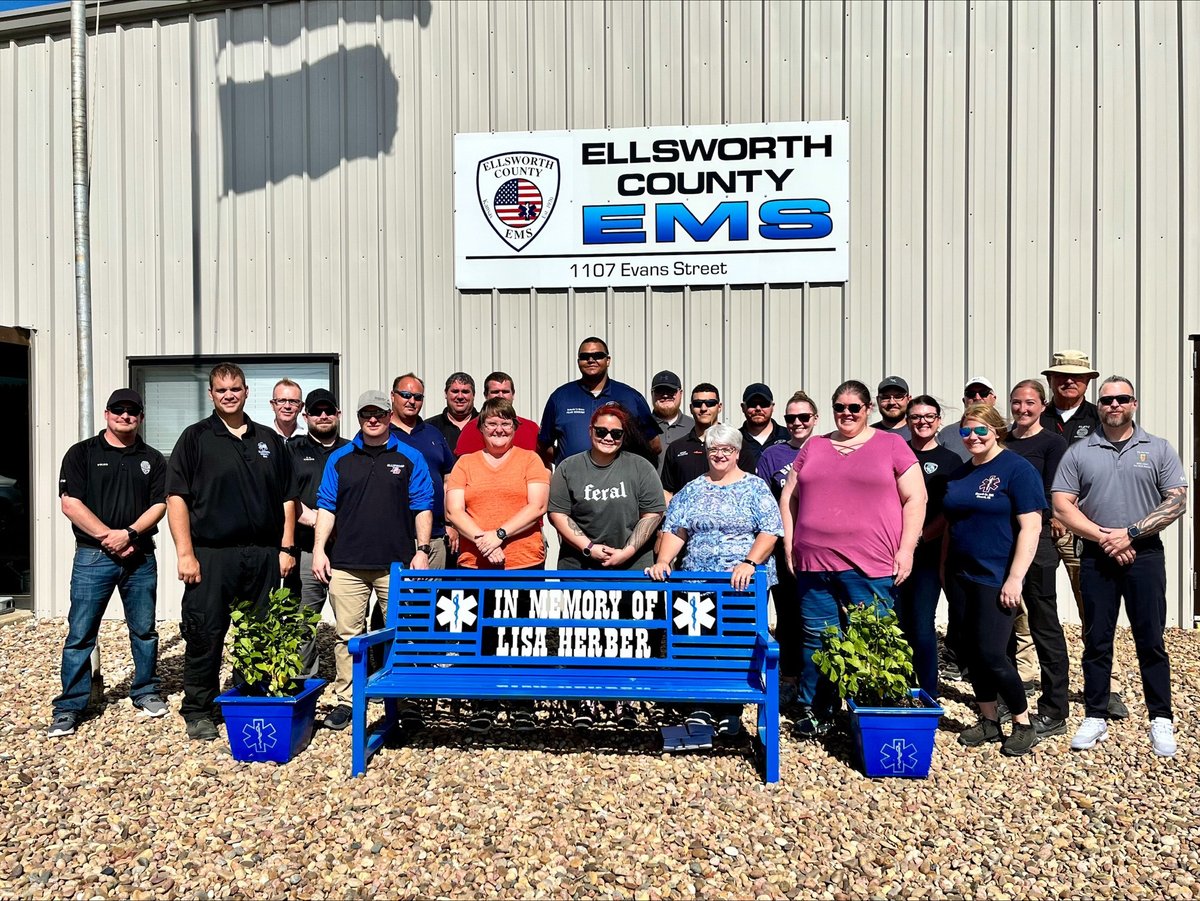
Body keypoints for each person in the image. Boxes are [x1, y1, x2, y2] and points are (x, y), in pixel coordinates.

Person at [779, 380, 925, 737]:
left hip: (871, 564)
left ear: (868, 409)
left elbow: (916, 499)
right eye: (840, 408)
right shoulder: (815, 446)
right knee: (819, 638)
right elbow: (788, 498)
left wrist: (906, 549)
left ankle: (873, 710)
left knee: (872, 636)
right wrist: (789, 543)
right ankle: (820, 711)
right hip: (814, 563)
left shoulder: (892, 445)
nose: (846, 414)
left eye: (854, 408)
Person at [1052, 377, 1186, 758]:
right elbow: (1062, 505)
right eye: (1107, 399)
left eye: (1121, 399)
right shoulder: (1080, 451)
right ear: (1100, 405)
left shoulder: (1157, 448)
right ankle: (1095, 714)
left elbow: (1177, 501)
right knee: (1097, 639)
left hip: (1144, 555)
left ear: (1134, 404)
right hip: (1096, 555)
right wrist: (1105, 538)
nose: (1114, 405)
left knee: (1151, 639)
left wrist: (1129, 534)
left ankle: (1160, 717)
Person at [166, 362, 298, 741]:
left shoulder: (268, 440)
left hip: (263, 554)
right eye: (221, 390)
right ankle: (198, 708)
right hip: (211, 553)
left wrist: (286, 547)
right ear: (211, 394)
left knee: (259, 632)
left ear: (246, 392)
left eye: (235, 389)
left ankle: (250, 695)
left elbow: (288, 497)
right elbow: (177, 497)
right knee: (205, 632)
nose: (229, 395)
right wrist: (185, 553)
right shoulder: (195, 438)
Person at [646, 423, 783, 736]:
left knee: (735, 643)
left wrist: (750, 561)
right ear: (705, 452)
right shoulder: (693, 489)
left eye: (727, 450)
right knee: (698, 643)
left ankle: (730, 708)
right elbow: (676, 529)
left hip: (741, 584)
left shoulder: (755, 487)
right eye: (713, 450)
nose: (720, 455)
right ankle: (700, 706)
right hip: (697, 582)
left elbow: (770, 530)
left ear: (737, 453)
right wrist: (665, 560)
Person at [48, 389, 169, 738]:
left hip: (140, 557)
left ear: (141, 417)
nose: (125, 416)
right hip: (93, 557)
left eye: (132, 411)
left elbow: (160, 504)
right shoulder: (82, 453)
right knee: (81, 634)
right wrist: (110, 538)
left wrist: (129, 534)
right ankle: (70, 706)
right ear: (106, 414)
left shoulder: (153, 458)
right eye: (119, 410)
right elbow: (70, 503)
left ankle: (145, 691)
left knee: (144, 631)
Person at [312, 390, 434, 731]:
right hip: (347, 564)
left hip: (395, 565)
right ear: (359, 416)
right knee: (348, 635)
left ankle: (405, 699)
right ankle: (348, 698)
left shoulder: (410, 457)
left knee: (402, 632)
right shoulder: (340, 459)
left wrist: (421, 551)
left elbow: (423, 505)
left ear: (389, 414)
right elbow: (326, 506)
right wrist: (320, 549)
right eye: (367, 413)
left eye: (379, 412)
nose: (374, 419)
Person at [549, 402, 665, 728]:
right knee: (584, 633)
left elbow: (653, 512)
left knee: (627, 634)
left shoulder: (640, 467)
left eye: (616, 433)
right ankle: (585, 698)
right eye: (602, 431)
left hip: (631, 565)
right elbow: (558, 513)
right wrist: (587, 547)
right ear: (590, 431)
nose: (609, 437)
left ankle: (624, 698)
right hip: (579, 565)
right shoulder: (569, 467)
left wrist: (627, 552)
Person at [943, 404, 1044, 757]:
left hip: (996, 576)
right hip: (960, 574)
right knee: (970, 651)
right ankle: (988, 720)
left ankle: (1022, 723)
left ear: (997, 431)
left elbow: (1031, 527)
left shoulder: (1017, 470)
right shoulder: (960, 472)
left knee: (992, 653)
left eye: (981, 431)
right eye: (966, 432)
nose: (973, 437)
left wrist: (1015, 578)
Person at [446, 397, 551, 731]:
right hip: (475, 563)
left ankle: (522, 702)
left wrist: (500, 534)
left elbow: (537, 507)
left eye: (506, 423)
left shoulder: (529, 460)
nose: (499, 429)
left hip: (522, 560)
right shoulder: (465, 464)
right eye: (492, 423)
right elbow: (453, 511)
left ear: (515, 428)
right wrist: (483, 540)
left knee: (523, 632)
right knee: (481, 632)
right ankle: (484, 701)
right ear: (480, 428)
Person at [1040, 349, 1127, 718]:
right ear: (1050, 379)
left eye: (1075, 376)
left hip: (1087, 528)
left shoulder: (1102, 417)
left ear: (1088, 381)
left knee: (1094, 608)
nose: (1068, 381)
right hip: (1041, 526)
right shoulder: (1034, 416)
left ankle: (1103, 687)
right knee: (1033, 607)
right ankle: (1030, 677)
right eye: (1060, 375)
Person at [1005, 379, 1071, 738]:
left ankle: (1054, 707)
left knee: (1044, 624)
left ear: (1042, 406)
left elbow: (1053, 491)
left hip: (1038, 543)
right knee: (1003, 624)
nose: (1023, 409)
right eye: (1017, 403)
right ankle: (1009, 696)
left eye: (1029, 403)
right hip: (1002, 542)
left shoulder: (1052, 443)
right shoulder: (1002, 438)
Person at [894, 395, 960, 699]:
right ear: (907, 422)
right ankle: (897, 685)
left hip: (928, 555)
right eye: (916, 417)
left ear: (938, 421)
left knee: (921, 622)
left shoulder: (950, 461)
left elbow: (950, 509)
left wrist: (919, 537)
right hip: (891, 552)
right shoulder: (896, 453)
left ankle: (927, 690)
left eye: (929, 416)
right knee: (894, 621)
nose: (922, 422)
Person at [756, 390, 820, 705]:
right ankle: (791, 679)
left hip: (824, 547)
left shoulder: (830, 448)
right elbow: (766, 506)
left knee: (822, 616)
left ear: (815, 419)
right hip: (786, 548)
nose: (797, 423)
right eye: (791, 418)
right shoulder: (773, 456)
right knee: (789, 615)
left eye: (803, 417)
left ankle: (821, 683)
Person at [284, 388, 350, 679]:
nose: (323, 416)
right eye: (316, 411)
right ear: (305, 415)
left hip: (347, 552)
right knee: (302, 621)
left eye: (328, 411)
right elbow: (285, 496)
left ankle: (349, 685)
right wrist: (315, 521)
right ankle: (303, 681)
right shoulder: (292, 450)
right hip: (306, 547)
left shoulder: (353, 449)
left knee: (349, 623)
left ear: (338, 414)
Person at [538, 338, 661, 466]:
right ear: (578, 361)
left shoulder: (630, 397)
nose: (591, 360)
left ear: (608, 360)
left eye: (597, 356)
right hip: (573, 481)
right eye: (585, 356)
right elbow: (543, 444)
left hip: (618, 481)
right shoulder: (560, 397)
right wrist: (566, 462)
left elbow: (654, 445)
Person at [389, 373, 457, 568]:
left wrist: (450, 524)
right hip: (393, 537)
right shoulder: (380, 432)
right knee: (394, 596)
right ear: (393, 396)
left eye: (418, 397)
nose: (412, 401)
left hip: (435, 536)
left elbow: (448, 481)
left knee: (430, 596)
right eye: (406, 395)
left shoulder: (433, 433)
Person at [662, 383, 757, 501]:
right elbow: (667, 491)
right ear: (691, 408)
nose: (703, 408)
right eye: (698, 404)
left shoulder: (737, 445)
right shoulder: (676, 448)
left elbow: (749, 486)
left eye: (710, 403)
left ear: (720, 407)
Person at [455, 371, 540, 454]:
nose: (500, 396)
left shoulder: (532, 428)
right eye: (495, 392)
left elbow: (544, 464)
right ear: (485, 395)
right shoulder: (470, 430)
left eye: (505, 392)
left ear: (513, 394)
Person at [937, 377, 996, 461]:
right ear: (964, 401)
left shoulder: (1007, 431)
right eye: (971, 394)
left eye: (983, 393)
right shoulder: (947, 433)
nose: (977, 397)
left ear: (994, 399)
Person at [649, 370, 693, 473]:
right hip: (650, 489)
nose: (665, 395)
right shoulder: (640, 427)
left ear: (680, 393)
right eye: (660, 391)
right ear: (652, 394)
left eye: (670, 391)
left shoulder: (694, 427)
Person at [738, 383, 789, 466]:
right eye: (752, 404)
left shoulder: (788, 437)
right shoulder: (734, 440)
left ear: (772, 407)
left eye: (764, 403)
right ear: (743, 407)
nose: (758, 408)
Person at [426, 372, 478, 448]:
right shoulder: (429, 427)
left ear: (473, 395)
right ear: (445, 394)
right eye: (455, 391)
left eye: (465, 392)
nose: (460, 397)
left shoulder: (486, 424)